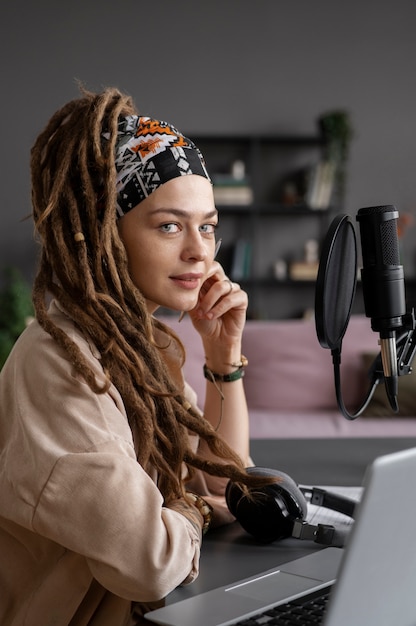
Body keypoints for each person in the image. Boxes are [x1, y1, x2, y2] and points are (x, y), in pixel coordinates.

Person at [0, 87, 273, 625]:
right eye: (169, 225)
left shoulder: (143, 348)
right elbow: (149, 561)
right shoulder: (59, 360)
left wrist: (223, 358)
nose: (199, 249)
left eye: (208, 225)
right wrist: (192, 510)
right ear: (107, 232)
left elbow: (227, 486)